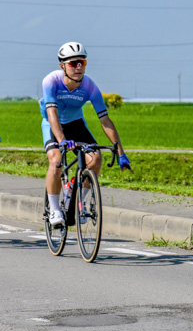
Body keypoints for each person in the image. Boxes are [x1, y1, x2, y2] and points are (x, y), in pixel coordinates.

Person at [41, 41, 132, 227]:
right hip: (53, 124)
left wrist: (121, 153)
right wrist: (62, 141)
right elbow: (52, 114)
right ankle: (54, 210)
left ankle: (77, 204)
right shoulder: (51, 81)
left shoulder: (90, 86)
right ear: (62, 66)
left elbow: (105, 120)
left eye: (82, 62)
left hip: (76, 124)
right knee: (56, 160)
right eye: (73, 63)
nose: (79, 67)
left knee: (95, 159)